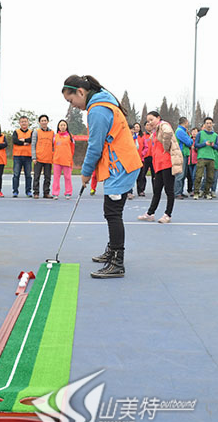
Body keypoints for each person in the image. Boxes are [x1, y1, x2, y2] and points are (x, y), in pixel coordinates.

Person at [62, 75, 142, 278]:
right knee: (112, 211)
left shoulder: (97, 110)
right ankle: (112, 251)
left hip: (121, 165)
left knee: (113, 212)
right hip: (121, 163)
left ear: (81, 92)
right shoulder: (101, 102)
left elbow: (95, 146)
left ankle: (117, 262)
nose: (73, 106)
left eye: (71, 100)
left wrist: (86, 173)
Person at [138, 111, 183, 223]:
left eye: (151, 119)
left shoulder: (163, 125)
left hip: (167, 163)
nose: (150, 122)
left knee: (169, 190)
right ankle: (150, 213)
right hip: (158, 165)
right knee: (157, 190)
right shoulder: (155, 132)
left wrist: (166, 146)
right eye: (148, 121)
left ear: (158, 118)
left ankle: (168, 214)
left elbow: (168, 133)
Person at [193, 117, 218, 199]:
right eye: (207, 123)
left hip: (211, 157)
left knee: (210, 177)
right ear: (204, 125)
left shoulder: (215, 135)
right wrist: (204, 144)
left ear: (212, 124)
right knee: (198, 176)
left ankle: (207, 192)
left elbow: (217, 147)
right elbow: (196, 145)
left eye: (210, 123)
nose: (209, 125)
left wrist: (213, 145)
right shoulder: (200, 134)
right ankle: (196, 192)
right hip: (201, 157)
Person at [52, 120, 75, 200]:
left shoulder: (70, 137)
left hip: (67, 160)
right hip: (57, 160)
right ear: (58, 126)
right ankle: (55, 193)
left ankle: (68, 192)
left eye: (64, 125)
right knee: (56, 177)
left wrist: (70, 158)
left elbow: (72, 149)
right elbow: (53, 148)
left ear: (66, 126)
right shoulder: (55, 137)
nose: (62, 127)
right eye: (61, 125)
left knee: (68, 177)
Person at [32, 115, 54, 199]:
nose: (44, 122)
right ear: (39, 122)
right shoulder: (36, 132)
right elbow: (33, 145)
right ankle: (36, 192)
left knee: (47, 177)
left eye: (45, 120)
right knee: (36, 176)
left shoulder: (52, 133)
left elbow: (54, 145)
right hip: (38, 158)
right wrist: (34, 157)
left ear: (47, 122)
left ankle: (46, 193)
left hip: (48, 158)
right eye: (42, 121)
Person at [12, 116, 33, 197]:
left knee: (28, 175)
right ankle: (15, 191)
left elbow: (32, 140)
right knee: (16, 174)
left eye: (25, 121)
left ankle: (28, 191)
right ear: (19, 123)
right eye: (22, 122)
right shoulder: (16, 132)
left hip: (28, 156)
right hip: (17, 156)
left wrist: (23, 140)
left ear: (28, 122)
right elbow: (15, 141)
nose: (24, 123)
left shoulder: (31, 132)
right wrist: (24, 142)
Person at [174, 117, 193, 199]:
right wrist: (190, 138)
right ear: (185, 122)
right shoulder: (180, 131)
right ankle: (177, 192)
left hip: (184, 154)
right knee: (180, 174)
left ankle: (180, 191)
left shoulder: (183, 131)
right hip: (181, 154)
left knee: (183, 174)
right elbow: (189, 142)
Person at [137, 122, 155, 196]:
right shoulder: (142, 135)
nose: (149, 126)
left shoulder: (155, 135)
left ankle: (156, 190)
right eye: (147, 125)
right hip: (145, 157)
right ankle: (141, 190)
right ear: (144, 126)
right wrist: (142, 154)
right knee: (142, 174)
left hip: (154, 157)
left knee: (155, 175)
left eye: (150, 125)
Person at [186, 128, 199, 195]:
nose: (194, 133)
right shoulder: (189, 140)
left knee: (194, 176)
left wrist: (195, 148)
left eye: (195, 132)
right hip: (189, 160)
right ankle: (191, 189)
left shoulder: (199, 140)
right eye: (193, 131)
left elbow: (200, 149)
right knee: (190, 176)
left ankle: (195, 190)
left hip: (196, 161)